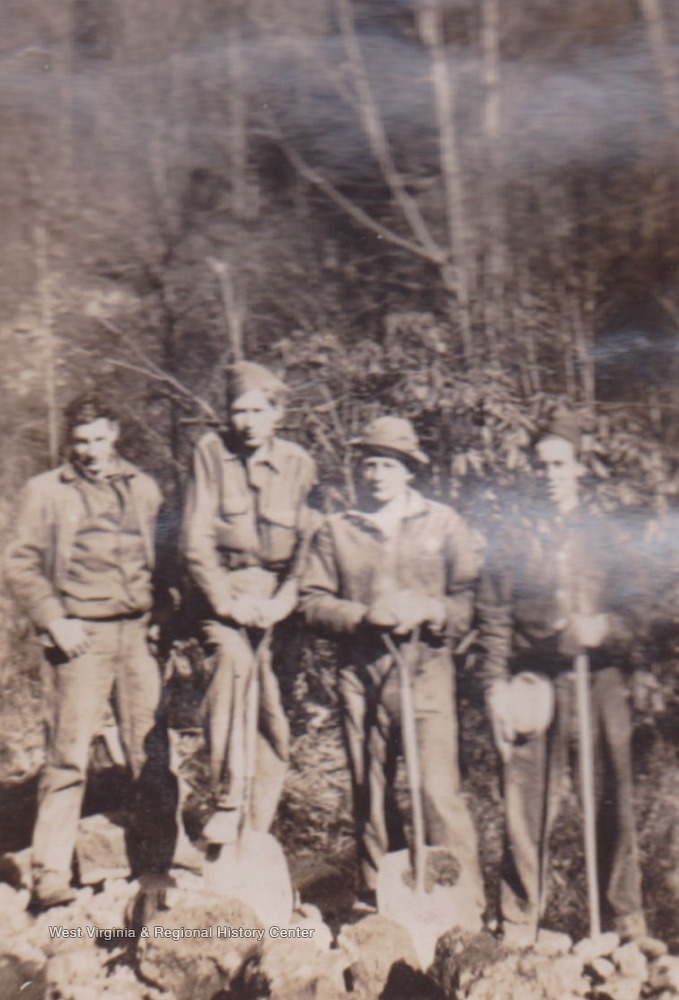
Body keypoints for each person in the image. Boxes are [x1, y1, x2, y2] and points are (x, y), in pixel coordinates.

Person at [477, 409, 656, 948]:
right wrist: (493, 688)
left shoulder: (606, 531)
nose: (550, 474)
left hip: (599, 683)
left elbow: (646, 606)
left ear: (578, 467)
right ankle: (519, 920)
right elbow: (493, 616)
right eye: (541, 465)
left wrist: (608, 625)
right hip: (534, 683)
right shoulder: (512, 533)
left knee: (612, 798)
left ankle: (626, 923)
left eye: (560, 464)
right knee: (526, 803)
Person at [300, 415, 485, 913]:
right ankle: (380, 896)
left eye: (387, 465)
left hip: (426, 668)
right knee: (370, 787)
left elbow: (468, 594)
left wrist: (436, 610)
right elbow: (311, 600)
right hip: (362, 673)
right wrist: (363, 616)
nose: (376, 475)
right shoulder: (337, 530)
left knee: (436, 788)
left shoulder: (443, 523)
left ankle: (459, 900)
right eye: (369, 464)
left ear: (408, 471)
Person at [5, 392, 177, 912]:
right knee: (68, 757)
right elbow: (18, 562)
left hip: (137, 636)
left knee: (151, 753)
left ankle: (163, 862)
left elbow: (166, 562)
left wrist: (164, 620)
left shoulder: (144, 489)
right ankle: (50, 874)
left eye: (100, 439)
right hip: (79, 639)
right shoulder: (45, 492)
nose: (91, 451)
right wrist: (55, 619)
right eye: (81, 441)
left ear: (115, 435)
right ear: (70, 443)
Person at [182, 360, 317, 843]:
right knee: (233, 665)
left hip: (278, 604)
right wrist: (225, 601)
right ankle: (227, 796)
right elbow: (195, 539)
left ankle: (257, 825)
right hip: (224, 598)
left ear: (277, 413)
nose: (246, 422)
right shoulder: (211, 453)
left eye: (258, 410)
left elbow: (307, 544)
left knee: (272, 708)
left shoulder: (299, 463)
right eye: (238, 411)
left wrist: (284, 600)